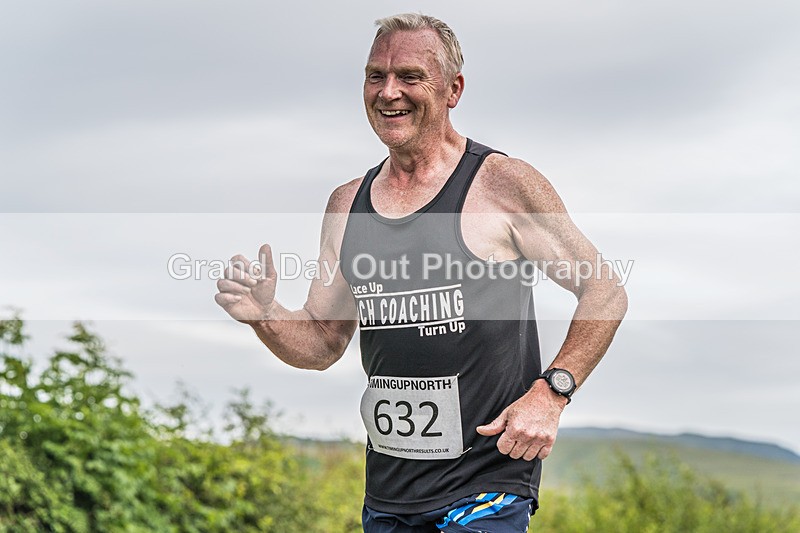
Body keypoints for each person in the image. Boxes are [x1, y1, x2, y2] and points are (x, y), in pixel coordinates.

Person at [215, 13, 628, 533]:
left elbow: (604, 290)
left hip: (486, 485)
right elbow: (322, 342)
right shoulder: (347, 205)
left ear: (453, 89)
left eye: (410, 77)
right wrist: (266, 315)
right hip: (389, 493)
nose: (389, 92)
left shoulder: (502, 184)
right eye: (376, 76)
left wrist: (552, 392)